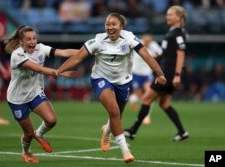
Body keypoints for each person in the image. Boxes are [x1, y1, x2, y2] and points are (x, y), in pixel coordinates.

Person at [56, 13, 166, 163]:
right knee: (114, 111)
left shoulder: (129, 38)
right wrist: (59, 71)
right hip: (101, 79)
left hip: (123, 81)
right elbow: (77, 57)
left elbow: (146, 55)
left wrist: (159, 74)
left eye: (114, 24)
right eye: (107, 24)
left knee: (117, 116)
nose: (110, 27)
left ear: (121, 26)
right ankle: (125, 151)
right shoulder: (98, 40)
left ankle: (106, 131)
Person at [4, 25, 79, 163]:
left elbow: (63, 52)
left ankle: (40, 134)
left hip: (35, 93)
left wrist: (86, 51)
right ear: (21, 42)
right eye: (28, 39)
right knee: (28, 132)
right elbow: (38, 69)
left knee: (51, 120)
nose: (32, 42)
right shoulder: (17, 55)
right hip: (17, 99)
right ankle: (26, 152)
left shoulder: (40, 48)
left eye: (34, 38)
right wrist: (61, 72)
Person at [124, 5, 189, 141]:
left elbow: (181, 54)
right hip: (169, 73)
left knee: (146, 99)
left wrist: (177, 75)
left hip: (168, 74)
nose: (167, 16)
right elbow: (166, 54)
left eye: (170, 14)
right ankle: (182, 132)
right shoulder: (172, 32)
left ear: (179, 17)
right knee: (164, 104)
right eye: (167, 14)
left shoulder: (178, 33)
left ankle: (132, 131)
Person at [128, 34, 162, 125]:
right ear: (143, 39)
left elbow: (160, 52)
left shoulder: (153, 45)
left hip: (147, 74)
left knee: (149, 94)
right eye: (147, 41)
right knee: (139, 96)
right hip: (136, 73)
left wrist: (154, 53)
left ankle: (146, 116)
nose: (148, 42)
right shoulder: (137, 43)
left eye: (150, 41)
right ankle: (133, 99)